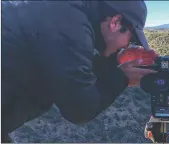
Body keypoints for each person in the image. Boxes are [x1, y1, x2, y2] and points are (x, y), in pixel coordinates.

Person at [1, 1, 156, 142]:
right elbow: (79, 108)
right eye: (131, 39)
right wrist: (122, 77)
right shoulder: (68, 21)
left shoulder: (66, 13)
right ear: (115, 22)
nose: (127, 46)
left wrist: (115, 63)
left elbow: (71, 66)